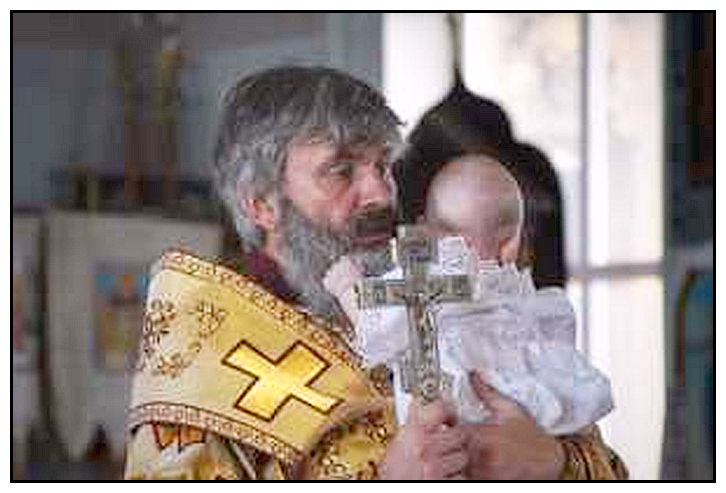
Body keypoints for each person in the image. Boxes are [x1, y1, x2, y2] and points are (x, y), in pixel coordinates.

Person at [124, 66, 626, 480]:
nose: (382, 195)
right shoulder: (204, 348)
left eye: (384, 165)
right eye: (342, 170)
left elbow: (612, 469)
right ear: (262, 205)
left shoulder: (440, 297)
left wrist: (553, 461)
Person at [326, 155, 614, 441]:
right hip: (528, 417)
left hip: (447, 420)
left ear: (423, 228)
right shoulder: (518, 295)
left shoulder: (425, 279)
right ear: (511, 246)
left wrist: (345, 284)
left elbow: (373, 320)